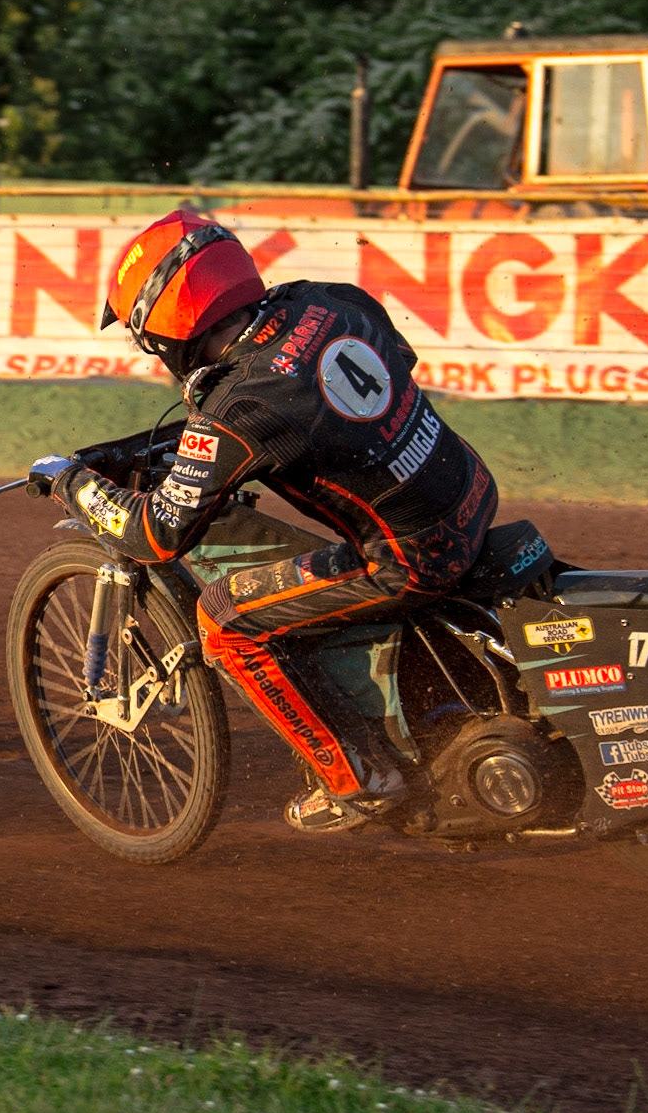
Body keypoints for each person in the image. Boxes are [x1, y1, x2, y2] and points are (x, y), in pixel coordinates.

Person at [42, 209, 498, 832]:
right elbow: (390, 365)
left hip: (415, 556)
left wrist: (71, 482)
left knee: (225, 619)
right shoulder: (327, 300)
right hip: (470, 489)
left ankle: (359, 779)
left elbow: (156, 534)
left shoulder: (241, 404)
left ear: (169, 331)